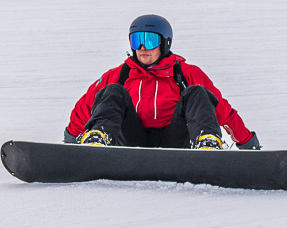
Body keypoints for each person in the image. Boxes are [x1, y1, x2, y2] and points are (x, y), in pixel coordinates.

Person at [66, 13, 259, 151]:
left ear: (165, 43)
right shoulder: (120, 74)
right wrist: (71, 140)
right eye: (136, 41)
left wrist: (247, 143)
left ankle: (207, 142)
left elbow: (221, 110)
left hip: (174, 140)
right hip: (132, 141)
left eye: (149, 41)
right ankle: (97, 139)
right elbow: (87, 105)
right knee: (112, 91)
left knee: (197, 92)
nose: (142, 48)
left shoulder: (186, 73)